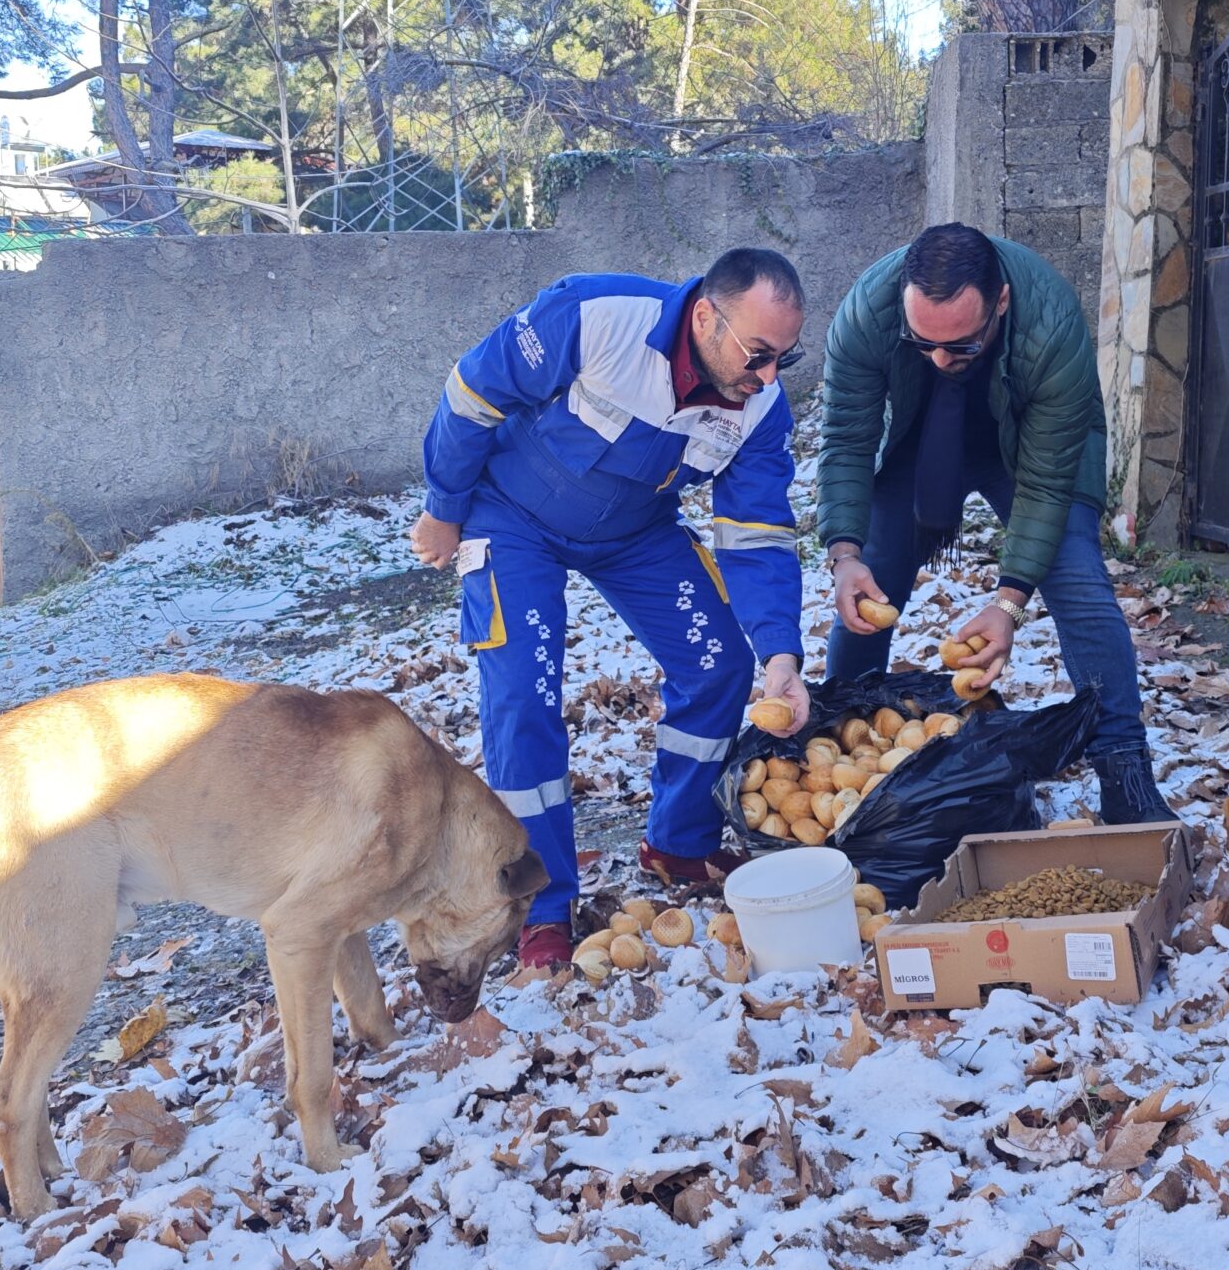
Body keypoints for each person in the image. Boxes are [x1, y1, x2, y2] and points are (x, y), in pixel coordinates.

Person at [411, 248, 812, 968]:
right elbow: (473, 392)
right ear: (704, 318)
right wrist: (444, 507)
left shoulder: (761, 406)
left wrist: (781, 652)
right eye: (758, 354)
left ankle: (679, 841)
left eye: (785, 357)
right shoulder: (596, 316)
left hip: (636, 531)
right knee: (524, 696)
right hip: (512, 519)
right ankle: (540, 902)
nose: (769, 376)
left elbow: (755, 533)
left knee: (720, 665)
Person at [815, 221, 1177, 825]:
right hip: (920, 442)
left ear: (1000, 303)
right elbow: (847, 439)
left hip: (1032, 450)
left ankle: (1124, 770)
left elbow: (1045, 484)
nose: (937, 358)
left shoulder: (1051, 322)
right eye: (920, 341)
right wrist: (845, 554)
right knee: (871, 575)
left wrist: (1008, 604)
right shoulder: (865, 314)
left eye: (959, 345)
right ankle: (836, 742)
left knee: (1079, 585)